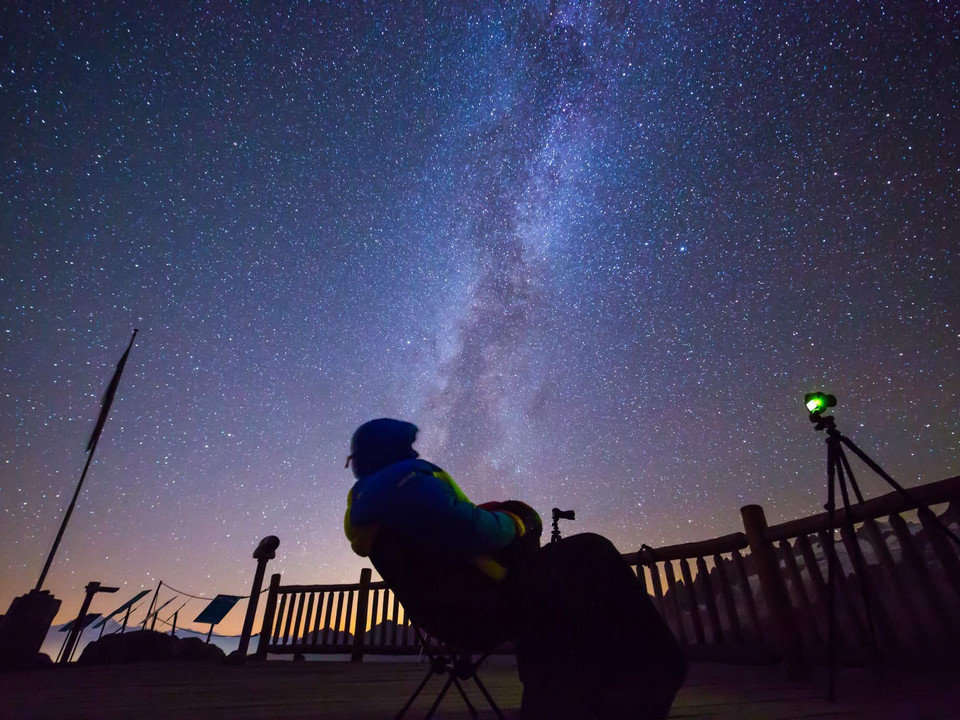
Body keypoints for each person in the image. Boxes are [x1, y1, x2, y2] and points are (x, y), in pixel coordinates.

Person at [343, 418, 686, 719]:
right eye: (408, 447)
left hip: (455, 608)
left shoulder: (372, 507)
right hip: (482, 606)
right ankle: (648, 671)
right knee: (589, 552)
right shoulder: (407, 484)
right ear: (390, 451)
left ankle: (568, 693)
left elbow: (447, 535)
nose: (416, 455)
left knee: (562, 574)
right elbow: (469, 529)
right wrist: (517, 521)